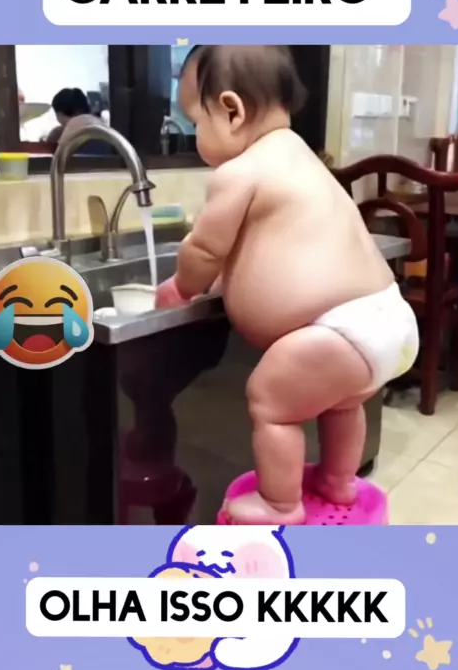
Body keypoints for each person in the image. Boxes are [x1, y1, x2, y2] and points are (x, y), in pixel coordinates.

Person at [155, 45, 420, 526]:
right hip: (390, 319)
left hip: (341, 328)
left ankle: (280, 504)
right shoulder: (302, 158)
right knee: (344, 401)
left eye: (196, 121)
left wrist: (182, 286)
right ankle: (338, 481)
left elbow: (206, 249)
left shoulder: (239, 173)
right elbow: (263, 247)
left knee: (271, 400)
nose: (197, 136)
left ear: (231, 111)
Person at [45, 88, 112, 154]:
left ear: (60, 113)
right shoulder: (100, 123)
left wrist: (50, 143)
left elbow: (58, 158)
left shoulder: (72, 128)